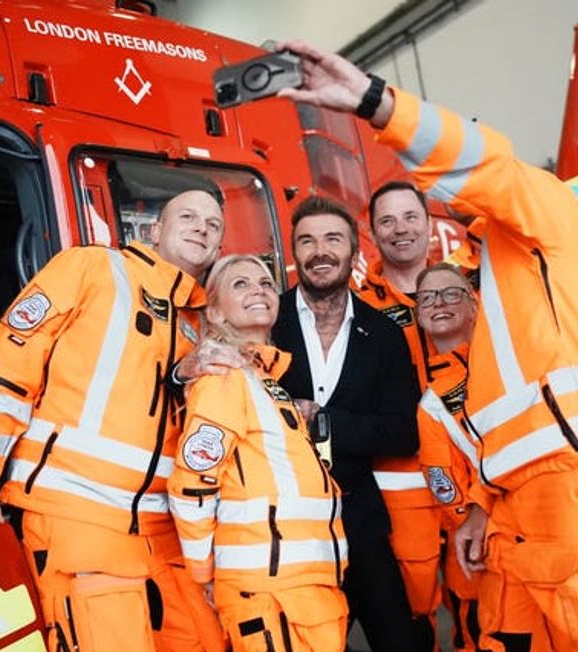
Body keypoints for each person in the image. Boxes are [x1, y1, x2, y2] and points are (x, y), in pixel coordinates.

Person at [276, 41, 578, 651]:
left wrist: (378, 105)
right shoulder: (496, 271)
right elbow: (488, 416)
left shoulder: (556, 218)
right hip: (512, 510)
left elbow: (491, 166)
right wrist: (483, 503)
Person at [0, 189, 236, 652]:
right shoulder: (92, 268)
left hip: (167, 535)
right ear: (155, 231)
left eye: (213, 224)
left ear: (219, 248)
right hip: (78, 519)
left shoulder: (202, 324)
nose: (202, 226)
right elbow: (10, 360)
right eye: (188, 216)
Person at [270, 196, 430, 651]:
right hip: (287, 525)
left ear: (354, 253)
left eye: (333, 239)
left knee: (403, 642)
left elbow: (404, 432)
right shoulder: (266, 321)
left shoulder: (383, 334)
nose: (320, 251)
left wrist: (327, 423)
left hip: (359, 521)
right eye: (308, 241)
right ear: (294, 253)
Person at [168, 254, 348, 652]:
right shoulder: (223, 378)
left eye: (266, 283)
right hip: (268, 592)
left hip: (307, 587)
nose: (259, 290)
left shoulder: (266, 382)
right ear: (214, 312)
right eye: (241, 284)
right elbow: (193, 484)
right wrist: (204, 574)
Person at [356, 181, 445, 646]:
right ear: (372, 232)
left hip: (476, 478)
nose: (400, 229)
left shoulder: (464, 292)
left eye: (410, 217)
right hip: (403, 484)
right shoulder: (358, 308)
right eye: (386, 221)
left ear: (428, 222)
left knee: (493, 602)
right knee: (414, 611)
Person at [414, 263, 481, 651]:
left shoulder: (509, 369)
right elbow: (447, 493)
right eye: (428, 298)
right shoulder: (432, 404)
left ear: (473, 305)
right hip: (477, 559)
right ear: (420, 315)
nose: (439, 303)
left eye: (451, 293)